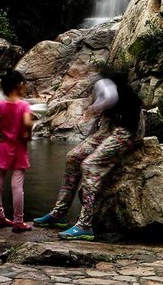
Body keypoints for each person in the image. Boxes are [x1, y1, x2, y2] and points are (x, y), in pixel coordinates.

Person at [33, 68, 143, 241]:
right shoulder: (109, 87)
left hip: (128, 130)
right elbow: (103, 105)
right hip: (110, 127)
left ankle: (85, 225)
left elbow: (109, 103)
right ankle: (59, 213)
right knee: (73, 157)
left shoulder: (123, 93)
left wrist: (96, 106)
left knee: (90, 165)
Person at [0, 69, 34, 231]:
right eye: (23, 84)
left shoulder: (1, 105)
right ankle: (18, 221)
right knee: (17, 186)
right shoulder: (24, 105)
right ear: (19, 86)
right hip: (18, 149)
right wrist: (28, 134)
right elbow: (27, 123)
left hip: (3, 148)